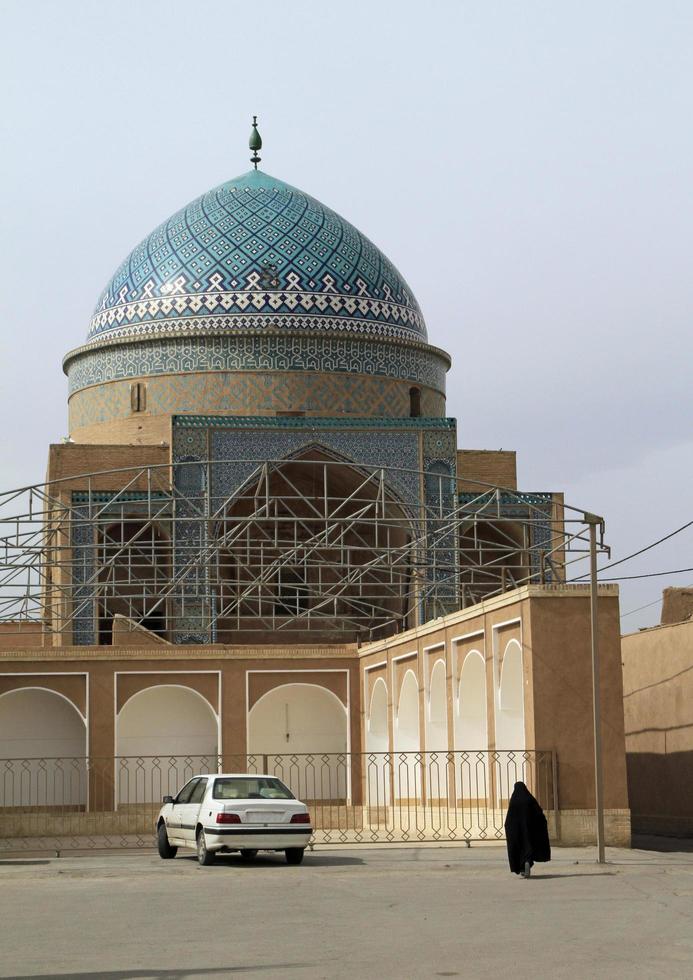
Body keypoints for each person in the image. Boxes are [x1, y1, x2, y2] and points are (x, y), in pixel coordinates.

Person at [504, 780, 551, 878]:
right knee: (528, 846)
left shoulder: (514, 801)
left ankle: (522, 867)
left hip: (517, 832)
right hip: (530, 830)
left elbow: (509, 820)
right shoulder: (530, 799)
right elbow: (539, 814)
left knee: (519, 848)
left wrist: (510, 829)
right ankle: (527, 862)